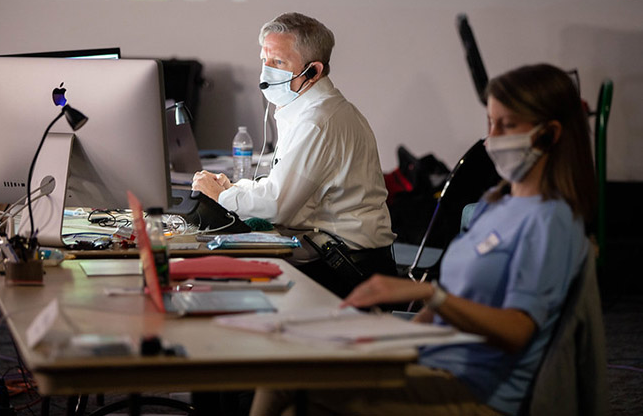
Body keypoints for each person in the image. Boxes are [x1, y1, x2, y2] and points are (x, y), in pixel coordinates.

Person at [249, 63, 597, 416]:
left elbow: (517, 331)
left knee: (285, 376)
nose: (492, 137)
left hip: (477, 392)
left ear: (549, 135)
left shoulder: (551, 222)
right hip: (435, 364)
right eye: (489, 124)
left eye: (507, 126)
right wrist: (393, 345)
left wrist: (431, 294)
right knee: (291, 379)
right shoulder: (495, 206)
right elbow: (448, 301)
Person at [193, 12, 397, 297]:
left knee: (229, 284)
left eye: (278, 62)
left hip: (347, 270)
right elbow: (290, 192)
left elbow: (279, 206)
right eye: (265, 61)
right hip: (341, 257)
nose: (266, 73)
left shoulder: (318, 122)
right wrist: (234, 187)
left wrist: (220, 197)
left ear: (313, 71)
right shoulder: (312, 110)